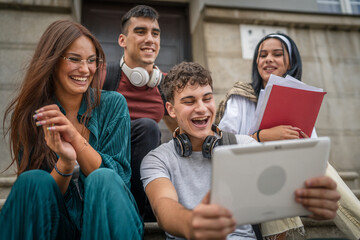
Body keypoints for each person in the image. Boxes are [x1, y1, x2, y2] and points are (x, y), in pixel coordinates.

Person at [140, 61, 340, 240]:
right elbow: (163, 206)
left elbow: (279, 192)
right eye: (189, 101)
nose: (201, 109)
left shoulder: (244, 146)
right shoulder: (157, 159)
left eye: (207, 98)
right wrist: (192, 223)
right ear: (171, 109)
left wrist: (310, 202)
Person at [0, 20, 143, 239]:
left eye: (91, 61)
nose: (85, 70)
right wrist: (66, 163)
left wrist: (75, 138)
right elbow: (38, 202)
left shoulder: (114, 104)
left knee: (103, 178)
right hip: (59, 226)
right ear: (52, 61)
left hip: (112, 220)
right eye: (74, 59)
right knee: (33, 181)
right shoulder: (34, 115)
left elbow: (118, 182)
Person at [218, 33, 360, 239]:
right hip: (249, 177)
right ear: (256, 62)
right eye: (262, 54)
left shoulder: (300, 99)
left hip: (293, 177)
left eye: (277, 54)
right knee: (272, 161)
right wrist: (260, 137)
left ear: (290, 62)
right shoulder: (240, 97)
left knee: (320, 167)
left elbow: (314, 150)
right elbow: (222, 143)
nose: (268, 59)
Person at [102, 5, 177, 221]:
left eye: (155, 33)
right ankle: (136, 212)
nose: (150, 39)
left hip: (144, 166)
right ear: (122, 40)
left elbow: (180, 128)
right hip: (110, 161)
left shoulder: (164, 83)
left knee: (153, 133)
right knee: (147, 127)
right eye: (140, 31)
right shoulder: (105, 76)